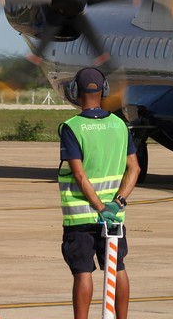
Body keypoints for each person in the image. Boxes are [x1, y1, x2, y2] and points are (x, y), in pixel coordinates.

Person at [58, 67, 141, 319]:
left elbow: (80, 175)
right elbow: (134, 168)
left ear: (75, 92)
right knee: (117, 268)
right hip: (114, 218)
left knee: (83, 271)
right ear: (104, 90)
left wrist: (99, 207)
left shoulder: (72, 127)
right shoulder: (120, 125)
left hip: (82, 217)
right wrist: (117, 203)